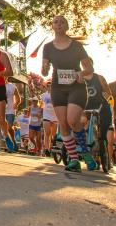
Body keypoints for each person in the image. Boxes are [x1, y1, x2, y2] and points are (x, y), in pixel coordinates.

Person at [41, 15, 96, 172]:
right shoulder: (48, 47)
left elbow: (89, 68)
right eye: (55, 22)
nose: (59, 24)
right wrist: (44, 69)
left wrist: (82, 72)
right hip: (58, 87)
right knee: (63, 123)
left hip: (76, 87)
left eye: (62, 22)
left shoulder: (77, 46)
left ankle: (85, 152)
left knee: (72, 120)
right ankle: (74, 160)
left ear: (67, 26)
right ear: (52, 26)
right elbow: (44, 71)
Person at [80, 59, 112, 167]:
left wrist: (108, 100)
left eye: (87, 63)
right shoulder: (80, 78)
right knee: (85, 126)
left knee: (102, 134)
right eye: (83, 63)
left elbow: (108, 93)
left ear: (91, 65)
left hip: (101, 106)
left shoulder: (99, 78)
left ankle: (103, 154)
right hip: (86, 108)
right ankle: (90, 152)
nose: (85, 65)